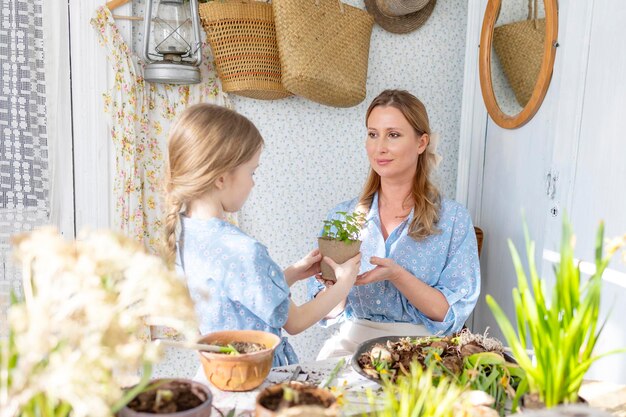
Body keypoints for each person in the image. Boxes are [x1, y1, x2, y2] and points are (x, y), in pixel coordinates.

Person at [163, 103, 361, 366]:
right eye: (251, 172)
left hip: (220, 371)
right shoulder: (242, 249)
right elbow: (296, 321)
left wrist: (290, 274)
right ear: (221, 178)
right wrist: (345, 284)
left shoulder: (185, 233)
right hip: (261, 374)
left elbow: (235, 296)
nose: (253, 182)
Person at [309, 89, 480, 359]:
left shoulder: (453, 219)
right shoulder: (342, 217)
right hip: (353, 343)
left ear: (421, 143)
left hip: (425, 348)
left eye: (394, 135)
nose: (380, 147)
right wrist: (338, 284)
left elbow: (448, 313)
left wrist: (397, 275)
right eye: (372, 134)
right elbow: (328, 312)